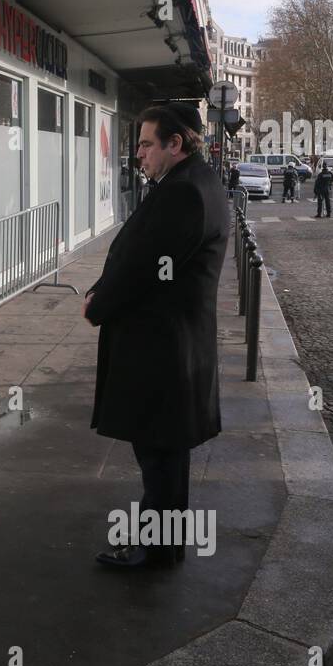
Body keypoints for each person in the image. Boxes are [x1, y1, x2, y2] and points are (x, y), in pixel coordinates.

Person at [85, 103, 228, 569]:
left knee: (160, 454)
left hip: (163, 351)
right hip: (170, 347)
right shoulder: (188, 183)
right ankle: (163, 545)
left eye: (147, 143)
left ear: (175, 144)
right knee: (163, 451)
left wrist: (98, 304)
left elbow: (144, 269)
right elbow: (140, 257)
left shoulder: (184, 192)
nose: (139, 153)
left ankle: (156, 550)